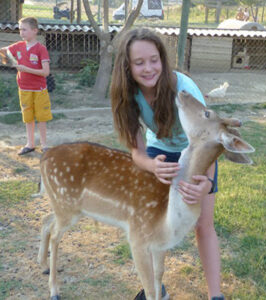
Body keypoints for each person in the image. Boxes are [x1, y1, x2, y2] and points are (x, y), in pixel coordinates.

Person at [110, 28, 224, 300]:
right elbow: (136, 151)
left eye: (154, 59)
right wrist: (152, 166)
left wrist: (205, 182)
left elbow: (208, 139)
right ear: (127, 66)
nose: (148, 68)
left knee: (203, 224)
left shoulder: (184, 90)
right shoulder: (126, 95)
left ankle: (216, 295)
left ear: (162, 59)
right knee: (153, 223)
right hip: (159, 153)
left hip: (197, 152)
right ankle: (155, 289)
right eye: (139, 63)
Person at [0, 17, 52, 155]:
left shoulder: (41, 49)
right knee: (28, 117)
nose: (21, 32)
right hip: (24, 89)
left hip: (39, 90)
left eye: (24, 29)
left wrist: (25, 69)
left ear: (35, 30)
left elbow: (45, 72)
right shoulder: (18, 46)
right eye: (20, 29)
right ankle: (30, 144)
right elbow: (2, 52)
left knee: (41, 118)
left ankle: (44, 145)